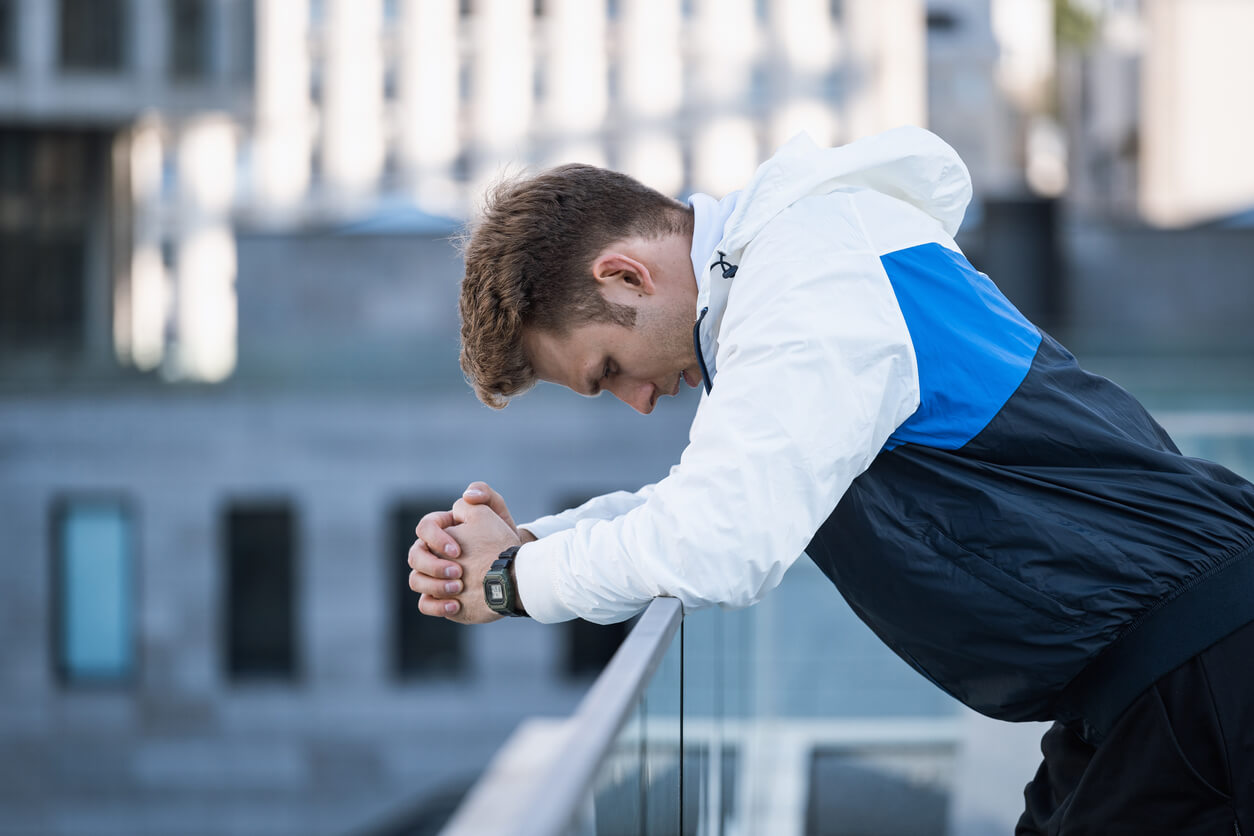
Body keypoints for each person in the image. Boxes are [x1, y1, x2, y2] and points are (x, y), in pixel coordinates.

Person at [406, 126, 1254, 833]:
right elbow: (706, 498)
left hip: (1196, 663)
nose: (637, 401)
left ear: (626, 276)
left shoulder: (806, 279)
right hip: (1150, 676)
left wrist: (515, 582)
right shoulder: (789, 272)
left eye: (609, 369)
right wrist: (528, 546)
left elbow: (718, 542)